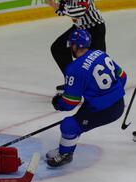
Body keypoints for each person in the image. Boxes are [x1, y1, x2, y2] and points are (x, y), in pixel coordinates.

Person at [47, 29, 127, 167]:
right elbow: (123, 76)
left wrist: (57, 103)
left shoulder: (74, 69)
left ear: (76, 46)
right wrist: (107, 94)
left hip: (104, 110)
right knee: (78, 121)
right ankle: (67, 146)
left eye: (71, 44)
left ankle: (65, 154)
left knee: (69, 125)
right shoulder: (101, 54)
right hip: (119, 103)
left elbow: (70, 103)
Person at [45, 0, 106, 91]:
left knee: (97, 61)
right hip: (80, 28)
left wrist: (59, 6)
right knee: (58, 48)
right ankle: (73, 81)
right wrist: (60, 5)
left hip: (94, 29)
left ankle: (100, 87)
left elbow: (78, 12)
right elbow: (62, 11)